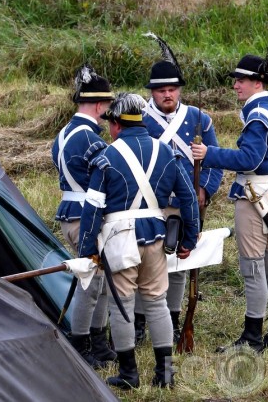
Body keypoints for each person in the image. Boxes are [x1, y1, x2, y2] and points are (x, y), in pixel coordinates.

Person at [78, 92, 199, 389]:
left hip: (120, 242)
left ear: (117, 124)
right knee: (157, 303)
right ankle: (165, 373)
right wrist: (190, 237)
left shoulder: (105, 157)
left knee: (122, 307)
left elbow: (92, 210)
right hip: (156, 236)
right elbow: (188, 199)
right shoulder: (167, 153)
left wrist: (87, 249)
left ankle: (129, 375)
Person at [191, 50, 268, 352]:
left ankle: (252, 338)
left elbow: (249, 159)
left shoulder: (258, 116)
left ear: (258, 83)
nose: (236, 85)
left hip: (254, 199)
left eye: (241, 80)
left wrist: (211, 155)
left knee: (253, 268)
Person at [134, 33, 224, 346]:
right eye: (161, 90)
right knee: (144, 262)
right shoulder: (140, 120)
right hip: (151, 203)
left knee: (179, 265)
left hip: (187, 203)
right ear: (153, 93)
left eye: (172, 89)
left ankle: (172, 320)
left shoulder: (199, 118)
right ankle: (139, 322)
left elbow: (214, 159)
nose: (168, 94)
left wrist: (205, 190)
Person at [51, 63, 115, 369]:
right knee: (91, 283)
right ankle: (81, 342)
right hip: (85, 217)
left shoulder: (64, 133)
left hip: (72, 212)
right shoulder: (90, 139)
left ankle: (98, 340)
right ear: (100, 105)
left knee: (100, 280)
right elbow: (111, 178)